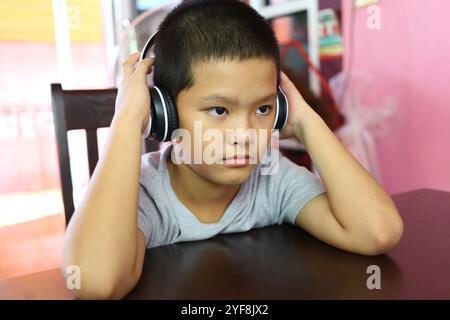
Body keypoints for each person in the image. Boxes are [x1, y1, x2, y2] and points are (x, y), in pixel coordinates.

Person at [62, 0, 403, 299]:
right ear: (164, 114)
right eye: (219, 111)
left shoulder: (273, 180)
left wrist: (306, 122)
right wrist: (127, 120)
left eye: (263, 109)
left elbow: (379, 231)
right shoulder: (145, 197)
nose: (245, 135)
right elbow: (95, 281)